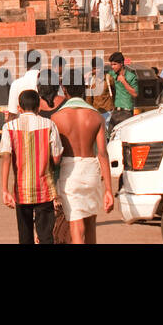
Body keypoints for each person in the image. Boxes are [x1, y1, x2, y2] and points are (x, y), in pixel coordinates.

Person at [50, 78, 115, 244]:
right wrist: (108, 188)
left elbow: (54, 153)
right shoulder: (96, 116)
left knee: (76, 226)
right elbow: (102, 154)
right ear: (85, 90)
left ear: (64, 90)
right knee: (91, 224)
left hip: (69, 171)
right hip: (91, 170)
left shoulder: (56, 118)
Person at [0, 89, 63, 245]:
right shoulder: (49, 125)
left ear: (19, 108)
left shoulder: (9, 128)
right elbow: (56, 158)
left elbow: (6, 158)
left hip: (22, 191)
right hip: (44, 190)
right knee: (46, 235)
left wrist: (5, 189)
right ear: (38, 107)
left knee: (25, 235)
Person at [6, 49, 44, 120]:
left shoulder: (16, 84)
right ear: (40, 63)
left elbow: (12, 114)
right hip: (44, 126)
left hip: (22, 127)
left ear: (25, 64)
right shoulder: (47, 81)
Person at [107, 52, 139, 128]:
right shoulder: (112, 74)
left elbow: (135, 94)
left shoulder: (131, 76)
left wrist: (124, 82)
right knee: (109, 136)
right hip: (115, 112)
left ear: (121, 63)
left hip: (126, 112)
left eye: (114, 64)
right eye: (111, 65)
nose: (112, 67)